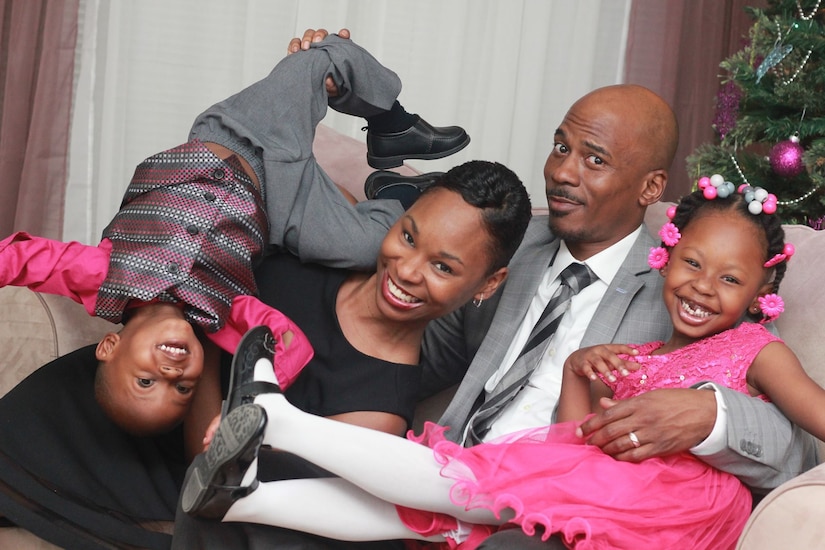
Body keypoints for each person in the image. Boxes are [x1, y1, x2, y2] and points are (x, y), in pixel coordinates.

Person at [0, 36, 517, 550]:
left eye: (444, 267)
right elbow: (272, 169)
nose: (406, 271)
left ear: (488, 284)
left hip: (164, 467)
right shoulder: (334, 247)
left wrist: (199, 346)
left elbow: (230, 470)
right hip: (83, 407)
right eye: (407, 236)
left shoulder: (378, 407)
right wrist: (314, 75)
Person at [180, 180, 825, 550]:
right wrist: (577, 373)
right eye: (692, 264)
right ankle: (244, 500)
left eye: (730, 279)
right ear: (667, 256)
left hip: (675, 509)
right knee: (435, 514)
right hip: (602, 491)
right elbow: (573, 446)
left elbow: (811, 425)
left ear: (761, 292)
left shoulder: (757, 351)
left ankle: (278, 419)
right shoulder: (644, 355)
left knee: (458, 482)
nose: (704, 287)